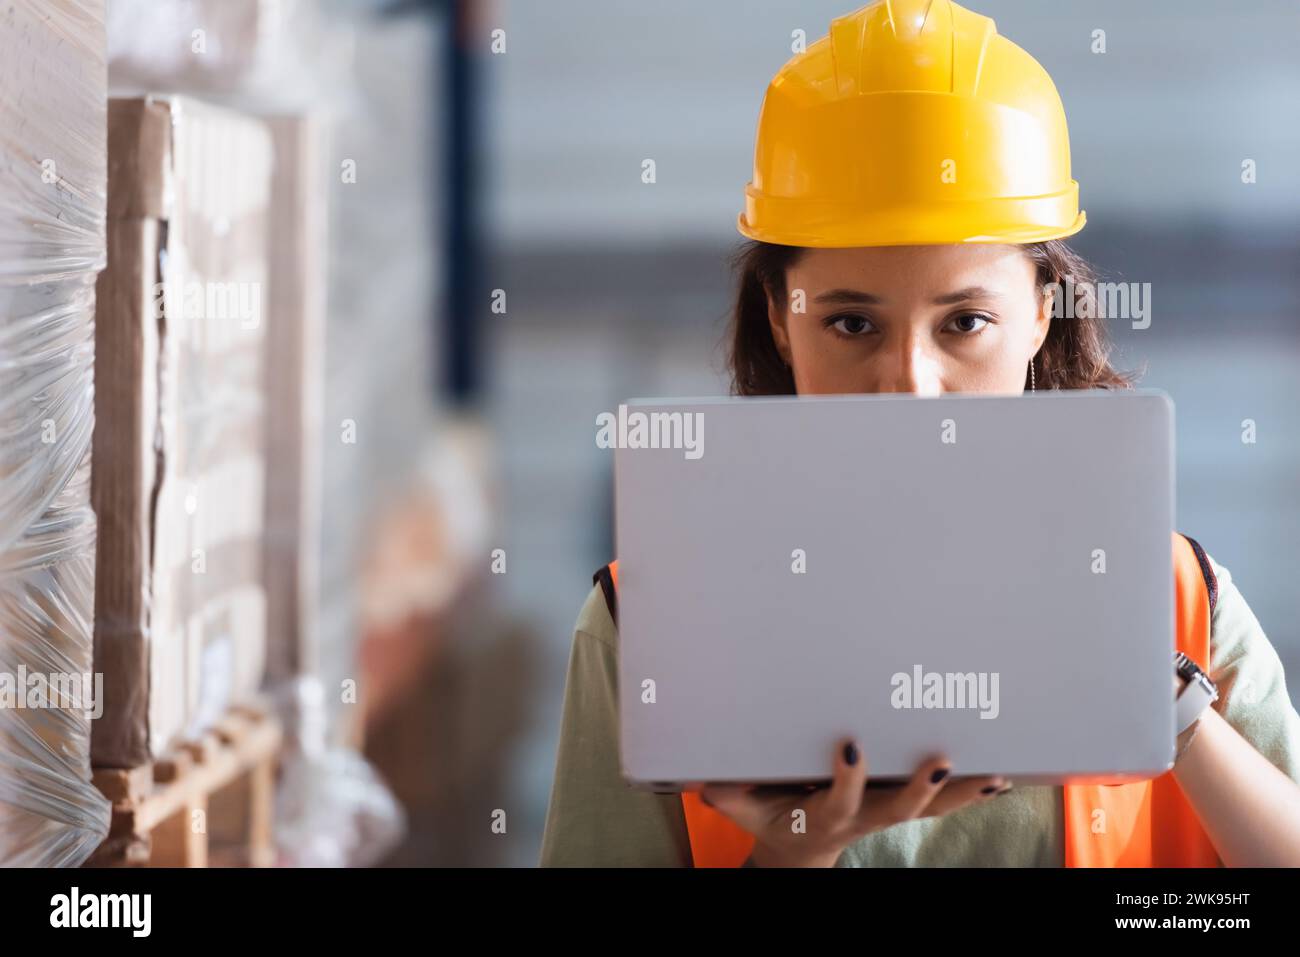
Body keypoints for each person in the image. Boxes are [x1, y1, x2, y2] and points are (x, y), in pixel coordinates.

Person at [540, 0, 1300, 867]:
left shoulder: (1179, 598)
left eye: (965, 321)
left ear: (1042, 316)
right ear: (780, 322)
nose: (909, 379)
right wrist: (792, 852)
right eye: (853, 324)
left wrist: (1164, 700)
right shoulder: (646, 623)